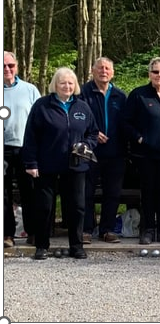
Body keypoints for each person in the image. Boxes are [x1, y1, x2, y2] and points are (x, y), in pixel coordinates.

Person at [22, 67, 99, 260]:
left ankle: (77, 245)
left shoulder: (82, 106)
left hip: (76, 165)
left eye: (70, 83)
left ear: (75, 86)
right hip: (47, 165)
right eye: (63, 83)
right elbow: (31, 136)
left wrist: (86, 145)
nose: (67, 86)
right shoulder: (42, 106)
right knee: (45, 206)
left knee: (77, 206)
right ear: (55, 85)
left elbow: (93, 132)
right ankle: (42, 245)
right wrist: (31, 163)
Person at [123, 57, 160, 245]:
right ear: (149, 73)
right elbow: (125, 122)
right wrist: (140, 138)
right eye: (156, 72)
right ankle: (148, 229)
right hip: (145, 154)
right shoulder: (139, 95)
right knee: (148, 191)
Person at [79, 57, 127, 244]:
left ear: (112, 72)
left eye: (107, 68)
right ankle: (87, 229)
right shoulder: (83, 93)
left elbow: (126, 122)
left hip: (116, 151)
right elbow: (77, 118)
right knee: (87, 191)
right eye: (100, 68)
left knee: (112, 192)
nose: (104, 71)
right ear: (93, 71)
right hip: (90, 150)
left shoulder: (120, 96)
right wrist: (92, 132)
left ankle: (107, 229)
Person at [3, 51, 41, 248]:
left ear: (17, 66)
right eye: (4, 66)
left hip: (26, 148)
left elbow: (40, 119)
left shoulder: (30, 90)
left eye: (11, 65)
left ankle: (33, 232)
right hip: (3, 149)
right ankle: (7, 234)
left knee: (30, 192)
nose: (7, 69)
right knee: (4, 194)